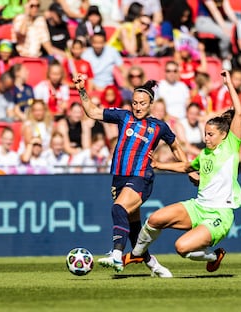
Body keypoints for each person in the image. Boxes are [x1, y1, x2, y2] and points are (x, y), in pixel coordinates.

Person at [123, 69, 241, 274]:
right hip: (198, 207)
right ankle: (137, 254)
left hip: (220, 214)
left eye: (211, 134)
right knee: (154, 219)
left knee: (182, 248)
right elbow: (187, 167)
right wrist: (161, 166)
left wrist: (229, 84)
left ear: (224, 135)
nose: (206, 138)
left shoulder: (231, 146)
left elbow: (239, 113)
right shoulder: (205, 154)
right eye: (205, 134)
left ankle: (215, 256)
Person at [73, 72, 188, 277]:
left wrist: (186, 167)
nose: (137, 107)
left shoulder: (158, 126)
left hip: (141, 177)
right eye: (135, 102)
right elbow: (92, 112)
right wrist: (82, 90)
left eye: (142, 103)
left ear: (150, 103)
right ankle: (154, 265)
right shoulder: (123, 116)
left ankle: (117, 254)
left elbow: (176, 146)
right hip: (119, 178)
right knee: (133, 228)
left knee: (118, 209)